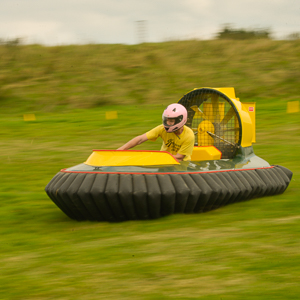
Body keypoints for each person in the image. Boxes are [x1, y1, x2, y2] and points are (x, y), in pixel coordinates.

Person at [117, 103, 195, 161]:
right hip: (163, 160)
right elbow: (140, 139)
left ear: (181, 120)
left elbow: (180, 157)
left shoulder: (189, 135)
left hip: (182, 165)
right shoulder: (162, 129)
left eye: (171, 121)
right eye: (167, 120)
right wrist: (119, 150)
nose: (168, 124)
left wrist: (155, 158)